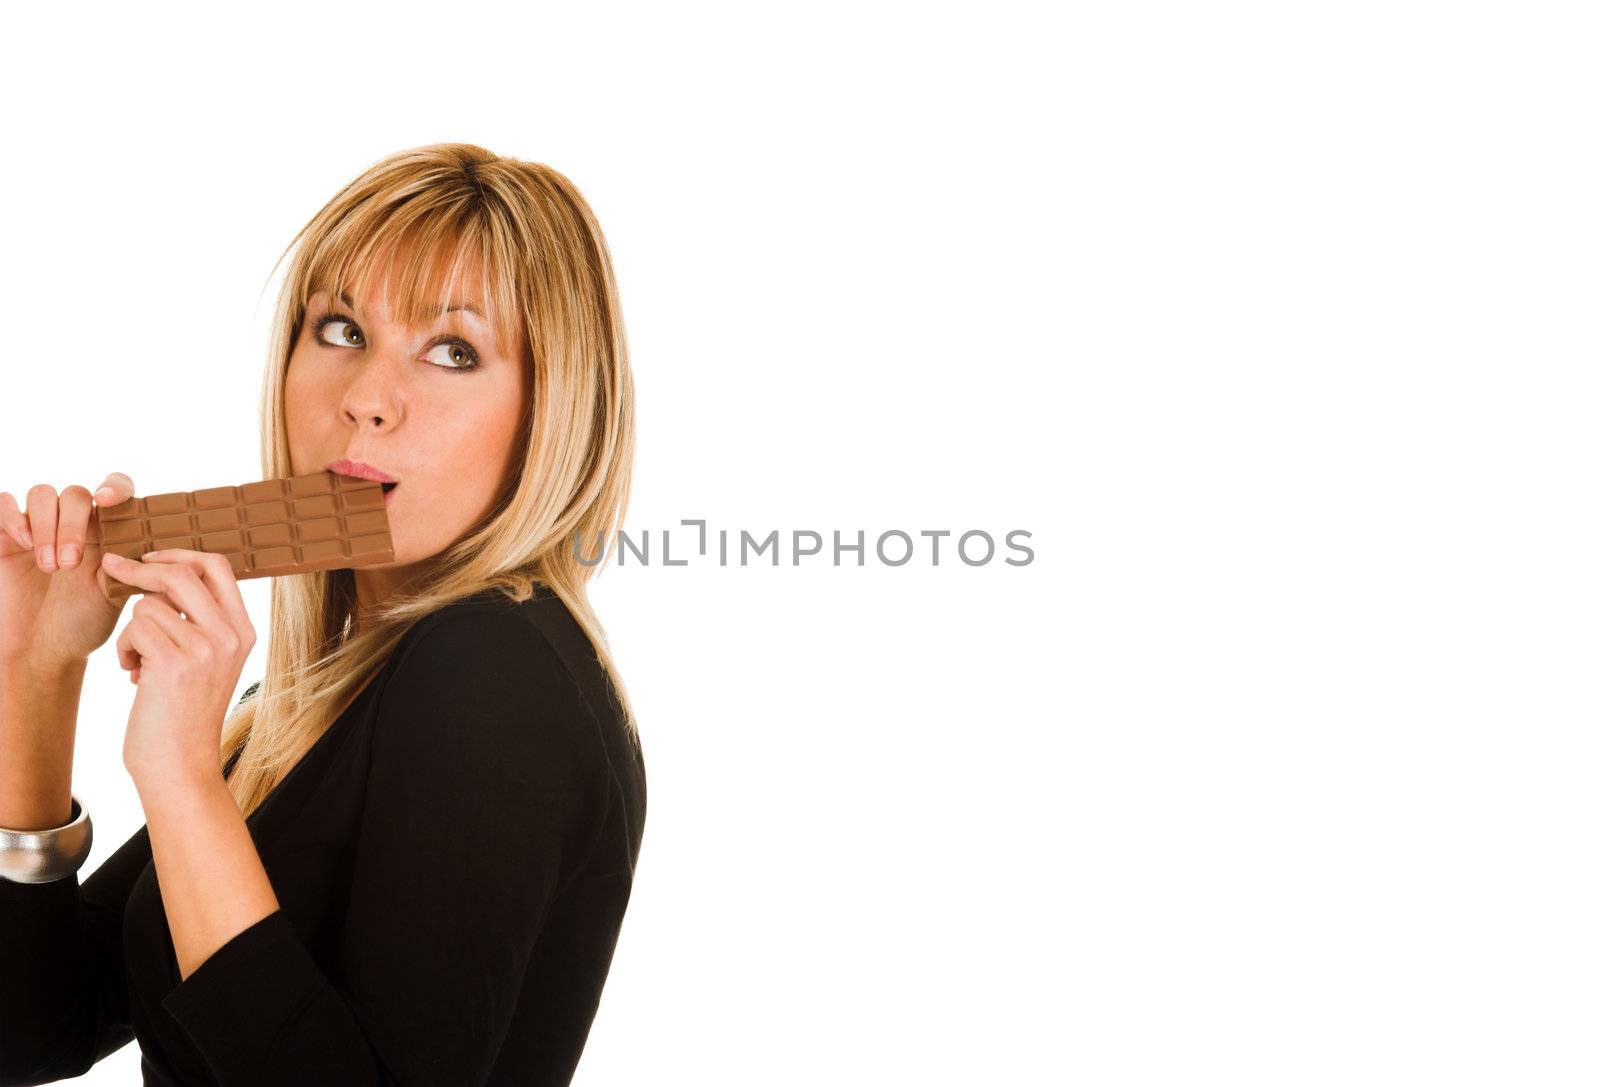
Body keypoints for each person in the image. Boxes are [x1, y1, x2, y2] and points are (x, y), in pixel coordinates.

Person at [0, 143, 646, 1086]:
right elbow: (32, 1028)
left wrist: (180, 775)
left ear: (551, 412)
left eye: (453, 351)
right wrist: (36, 670)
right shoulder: (317, 704)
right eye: (341, 329)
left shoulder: (491, 666)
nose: (367, 401)